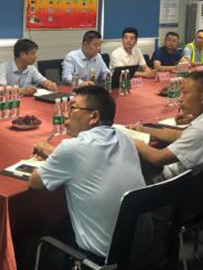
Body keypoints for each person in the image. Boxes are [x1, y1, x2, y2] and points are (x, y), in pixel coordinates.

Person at [29, 86, 146, 261]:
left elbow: (35, 182)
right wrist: (57, 155)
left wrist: (55, 158)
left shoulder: (71, 149)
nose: (66, 114)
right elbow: (93, 160)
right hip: (142, 249)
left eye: (73, 108)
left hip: (101, 260)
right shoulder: (125, 138)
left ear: (94, 116)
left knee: (36, 239)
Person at [128, 72, 203, 180]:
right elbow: (179, 135)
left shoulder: (201, 130)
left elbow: (158, 158)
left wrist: (135, 141)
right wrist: (143, 129)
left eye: (184, 93)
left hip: (171, 183)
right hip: (200, 183)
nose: (180, 98)